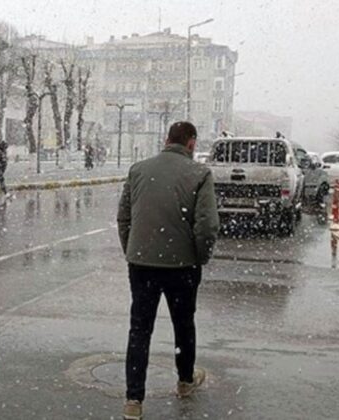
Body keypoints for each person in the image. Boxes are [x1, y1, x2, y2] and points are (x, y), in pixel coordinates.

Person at [117, 121, 220, 420]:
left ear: (166, 140)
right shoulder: (200, 174)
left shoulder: (138, 169)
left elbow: (123, 217)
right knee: (183, 324)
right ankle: (185, 381)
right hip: (182, 266)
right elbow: (207, 226)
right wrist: (199, 257)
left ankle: (133, 401)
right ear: (191, 143)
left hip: (141, 264)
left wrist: (133, 250)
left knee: (139, 330)